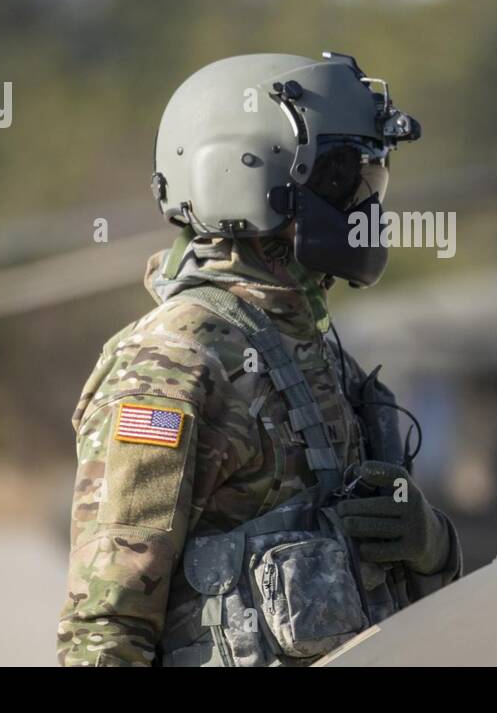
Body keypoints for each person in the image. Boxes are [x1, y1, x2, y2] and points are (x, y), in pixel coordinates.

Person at [57, 52, 461, 666]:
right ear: (242, 174)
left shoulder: (317, 352)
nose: (362, 204)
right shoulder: (173, 364)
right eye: (340, 177)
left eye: (370, 180)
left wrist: (430, 545)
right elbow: (107, 624)